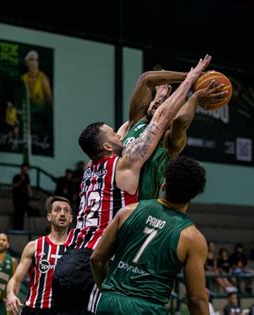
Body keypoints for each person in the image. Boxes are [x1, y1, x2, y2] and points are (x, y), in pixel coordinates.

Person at [53, 61, 218, 314]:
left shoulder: (99, 159)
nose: (118, 134)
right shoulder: (128, 146)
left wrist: (166, 96)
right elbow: (155, 103)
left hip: (80, 252)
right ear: (109, 145)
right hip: (104, 249)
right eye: (114, 134)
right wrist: (193, 82)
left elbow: (174, 120)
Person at [91, 156, 209, 314]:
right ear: (193, 195)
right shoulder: (193, 238)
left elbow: (96, 259)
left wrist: (108, 290)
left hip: (109, 302)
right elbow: (196, 299)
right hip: (147, 308)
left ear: (164, 186)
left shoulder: (128, 211)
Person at [117, 54, 226, 200]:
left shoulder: (169, 139)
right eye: (157, 99)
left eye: (164, 102)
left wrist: (195, 98)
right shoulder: (135, 122)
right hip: (112, 204)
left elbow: (180, 121)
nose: (158, 101)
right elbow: (146, 79)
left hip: (141, 209)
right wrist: (190, 77)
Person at [6, 196, 73, 315]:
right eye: (57, 210)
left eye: (66, 210)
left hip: (65, 310)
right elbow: (16, 279)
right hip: (35, 309)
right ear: (49, 216)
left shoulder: (77, 248)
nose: (62, 214)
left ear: (71, 218)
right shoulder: (34, 246)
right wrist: (11, 294)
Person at [12, 164, 32, 230]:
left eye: (26, 169)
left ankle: (20, 228)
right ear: (21, 169)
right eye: (24, 169)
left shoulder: (27, 177)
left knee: (22, 213)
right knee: (17, 212)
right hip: (17, 197)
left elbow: (28, 186)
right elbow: (14, 185)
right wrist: (21, 180)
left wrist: (30, 194)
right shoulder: (16, 176)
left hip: (24, 198)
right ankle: (15, 227)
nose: (25, 170)